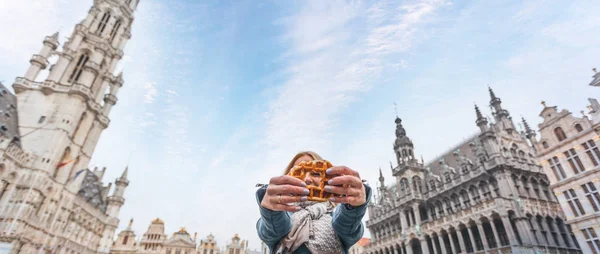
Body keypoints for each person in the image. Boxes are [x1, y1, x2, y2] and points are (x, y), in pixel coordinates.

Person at [255, 151, 372, 254]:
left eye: (315, 173)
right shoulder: (280, 214)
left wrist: (353, 206)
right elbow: (270, 229)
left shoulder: (337, 216)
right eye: (298, 173)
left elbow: (348, 227)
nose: (307, 179)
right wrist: (270, 210)